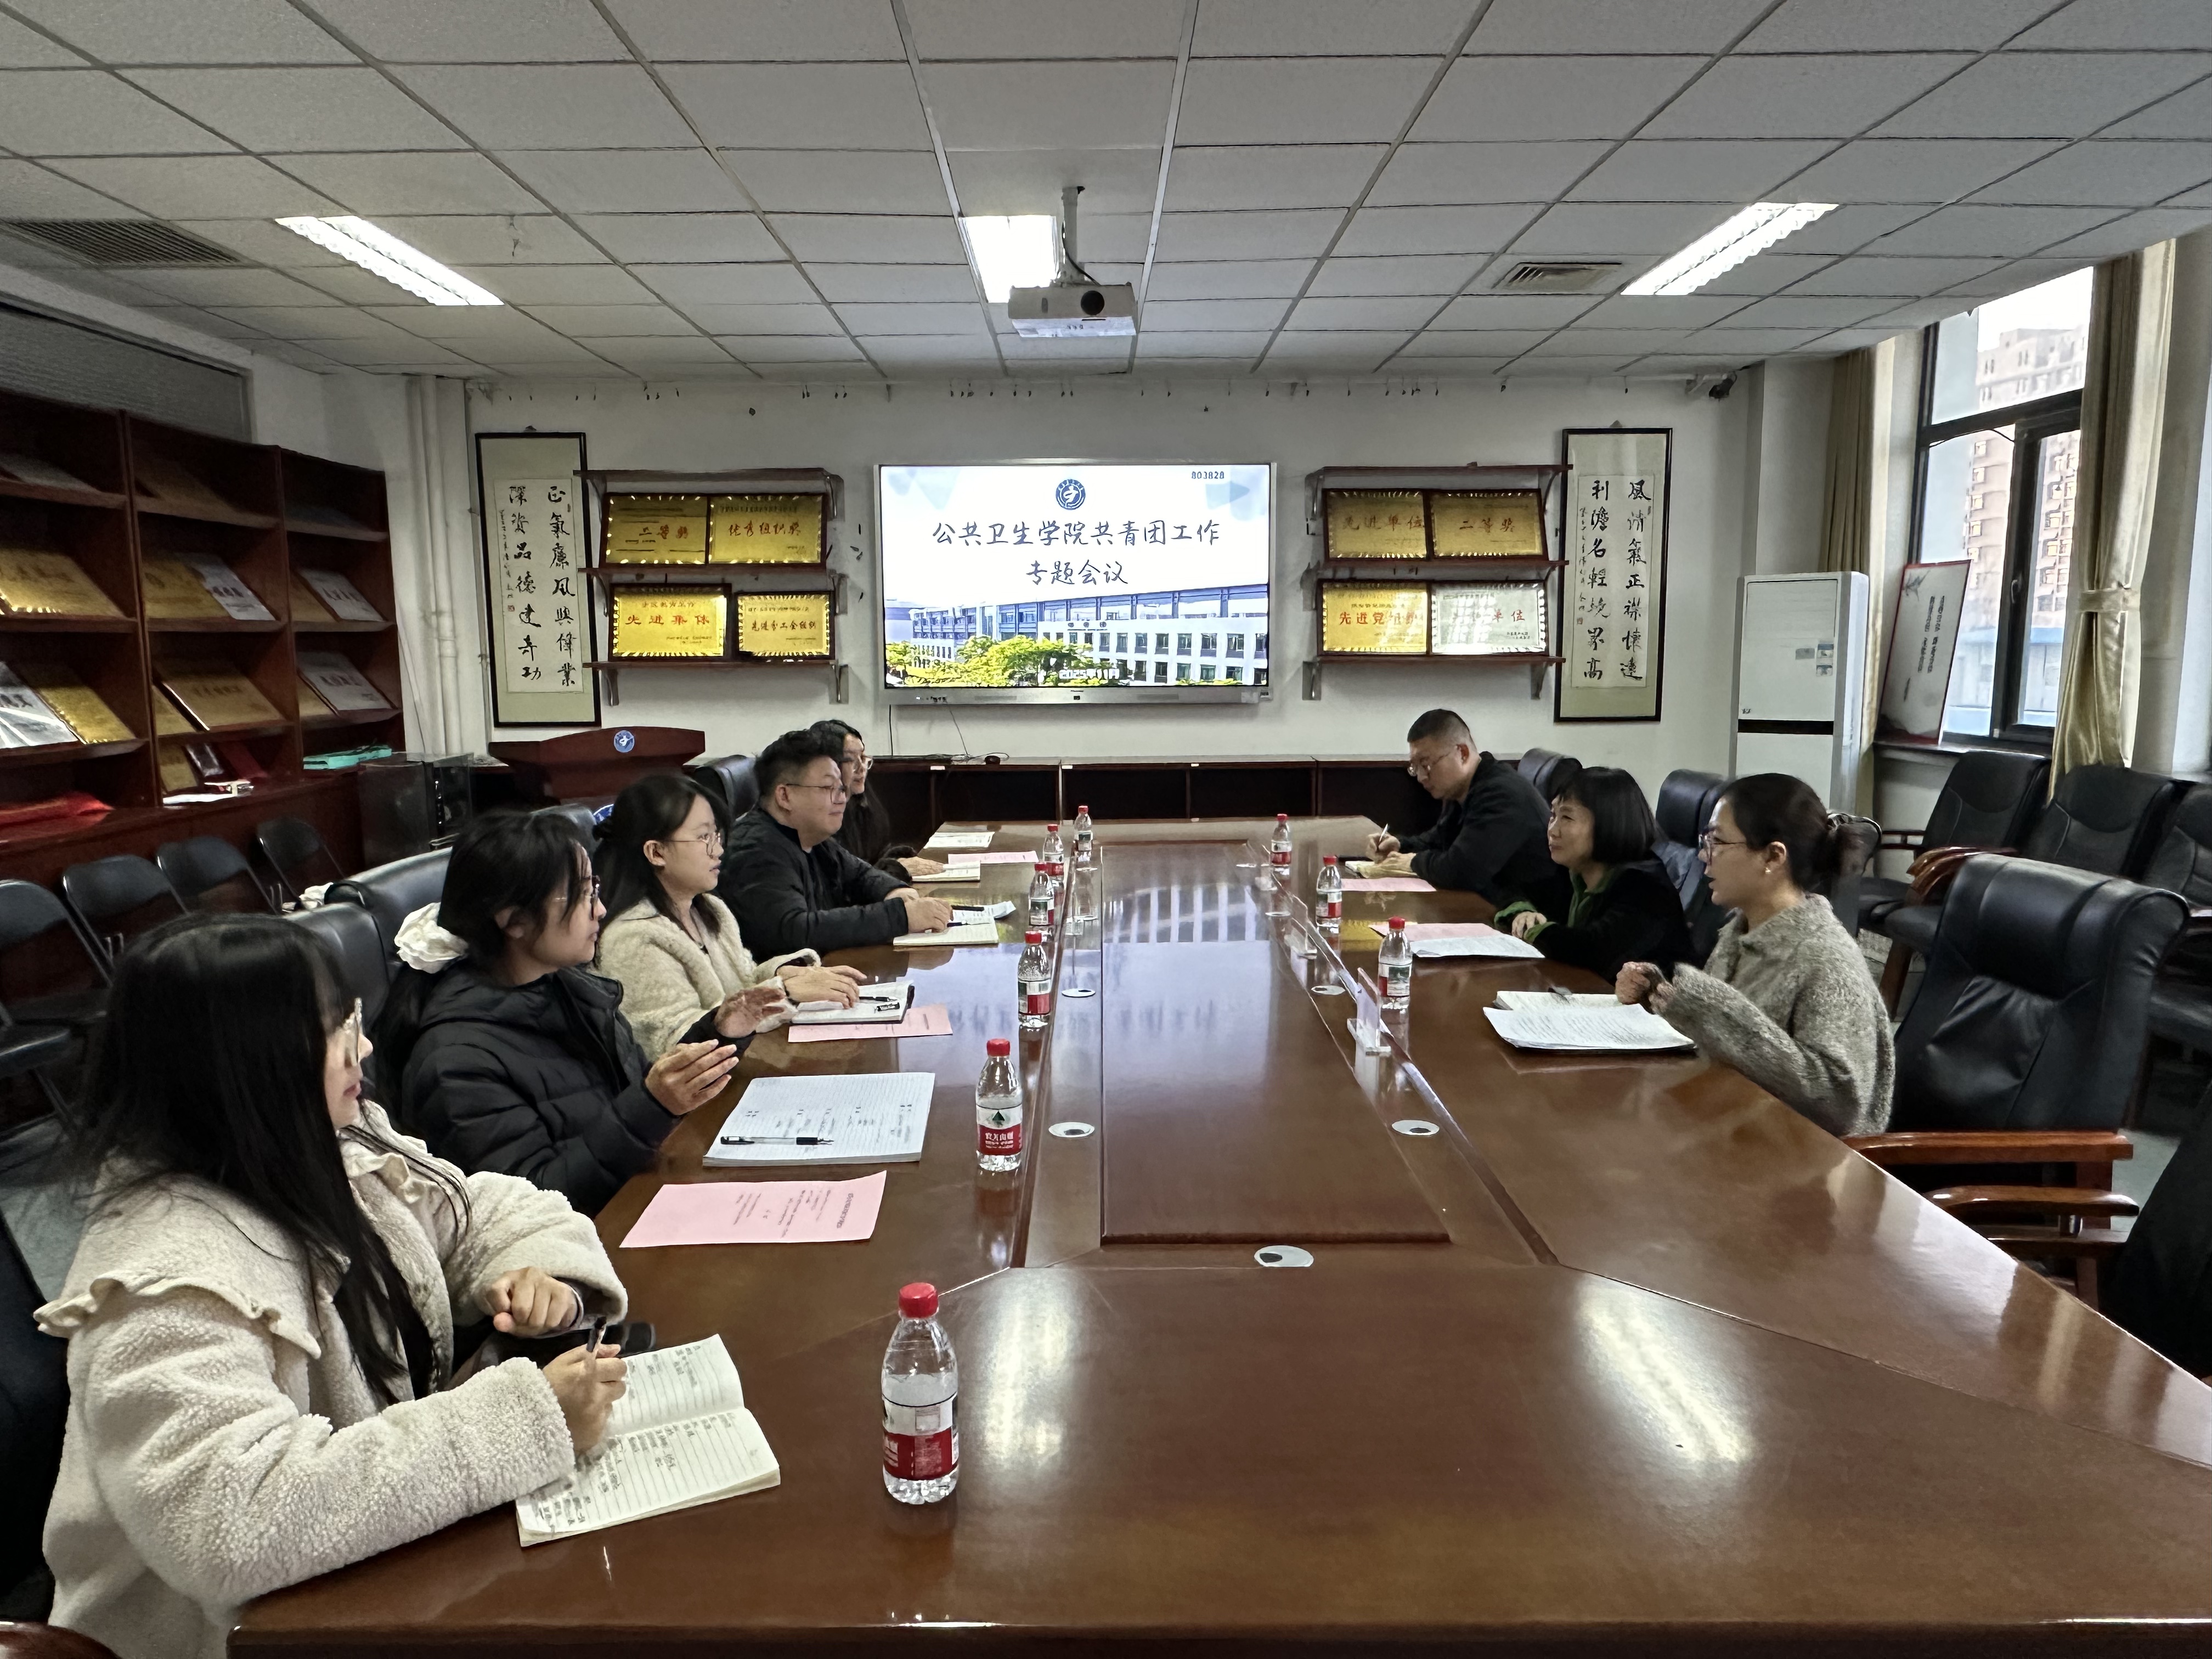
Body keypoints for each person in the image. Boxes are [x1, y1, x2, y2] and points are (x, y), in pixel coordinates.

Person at [36, 913, 630, 1659]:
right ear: (248, 1061)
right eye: (335, 1031)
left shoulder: (325, 1144)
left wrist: (542, 1273)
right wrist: (527, 1420)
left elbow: (485, 1209)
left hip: (370, 1591)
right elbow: (232, 1525)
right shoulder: (164, 1278)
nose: (365, 1049)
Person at [375, 810, 774, 1215]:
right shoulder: (457, 1062)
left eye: (594, 888)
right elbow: (536, 1205)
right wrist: (653, 1107)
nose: (600, 910)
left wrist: (719, 1033)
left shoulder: (572, 989)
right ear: (514, 921)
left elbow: (636, 1094)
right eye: (581, 895)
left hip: (636, 1201)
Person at [1616, 774, 1893, 1137]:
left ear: (1773, 856)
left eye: (1717, 841)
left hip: (1799, 1158)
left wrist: (1715, 1011)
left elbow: (1839, 1103)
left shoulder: (1827, 958)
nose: (1703, 855)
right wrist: (1658, 997)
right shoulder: (1739, 933)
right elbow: (1720, 1044)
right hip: (1730, 1127)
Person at [595, 772, 868, 1058]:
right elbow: (675, 1045)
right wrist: (784, 990)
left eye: (716, 835)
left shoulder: (710, 909)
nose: (718, 850)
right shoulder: (633, 938)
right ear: (656, 852)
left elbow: (744, 980)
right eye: (703, 837)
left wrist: (789, 973)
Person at [719, 727, 953, 958]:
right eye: (828, 788)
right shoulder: (756, 851)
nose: (841, 798)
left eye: (841, 788)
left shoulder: (809, 835)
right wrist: (900, 917)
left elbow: (859, 875)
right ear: (785, 796)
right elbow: (794, 931)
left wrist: (895, 892)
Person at [1492, 767, 1690, 981]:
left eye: (1567, 817)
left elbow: (1592, 950)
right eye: (1553, 815)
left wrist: (1533, 930)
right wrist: (1523, 913)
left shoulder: (1647, 888)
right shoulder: (1576, 871)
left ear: (1608, 823)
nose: (1553, 830)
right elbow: (1512, 889)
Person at [1364, 709, 1552, 904]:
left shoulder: (1500, 794)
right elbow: (1439, 840)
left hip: (1533, 912)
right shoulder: (1462, 788)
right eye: (1415, 767)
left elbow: (1462, 871)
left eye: (1426, 765)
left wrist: (1412, 862)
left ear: (1462, 753)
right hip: (1495, 903)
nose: (1421, 777)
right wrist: (1400, 845)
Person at [811, 718, 943, 881]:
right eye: (851, 760)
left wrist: (897, 860)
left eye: (862, 757)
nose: (862, 768)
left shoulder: (861, 801)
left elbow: (874, 856)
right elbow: (842, 880)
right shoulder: (818, 816)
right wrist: (895, 869)